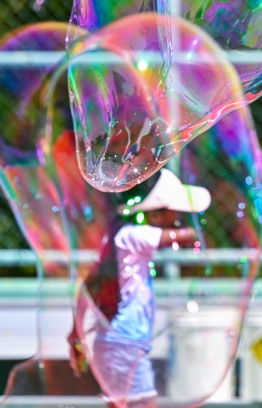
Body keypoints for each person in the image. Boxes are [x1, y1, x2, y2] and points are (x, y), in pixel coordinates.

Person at [67, 168, 211, 408]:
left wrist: (75, 336)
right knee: (144, 404)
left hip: (119, 343)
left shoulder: (119, 238)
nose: (180, 217)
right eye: (176, 213)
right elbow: (180, 236)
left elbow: (87, 288)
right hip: (125, 343)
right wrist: (194, 230)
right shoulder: (132, 235)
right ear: (156, 214)